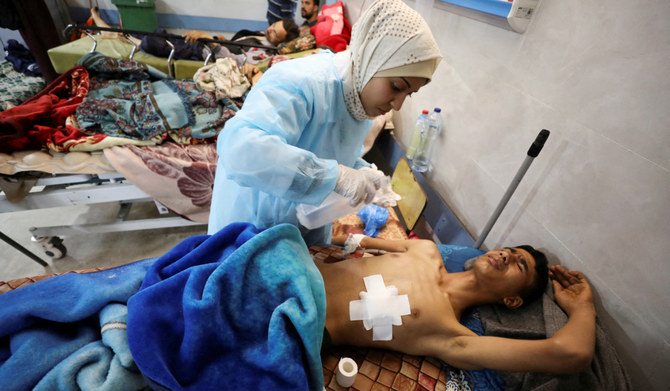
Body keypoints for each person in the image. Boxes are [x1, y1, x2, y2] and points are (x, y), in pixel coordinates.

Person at [208, 0, 442, 245]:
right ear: (372, 59)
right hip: (250, 228)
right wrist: (336, 177)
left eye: (408, 94)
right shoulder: (299, 84)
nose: (398, 105)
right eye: (396, 87)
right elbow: (242, 150)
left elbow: (328, 151)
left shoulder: (358, 100)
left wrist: (359, 171)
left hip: (299, 231)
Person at [318, 235, 597, 373]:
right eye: (509, 251)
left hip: (309, 324)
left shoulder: (451, 335)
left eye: (518, 264)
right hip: (297, 269)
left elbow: (571, 354)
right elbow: (352, 240)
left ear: (512, 300)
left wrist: (582, 307)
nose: (504, 255)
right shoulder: (424, 249)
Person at [182, 18, 300, 66]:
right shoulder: (262, 34)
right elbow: (240, 47)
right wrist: (227, 42)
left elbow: (233, 62)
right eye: (273, 25)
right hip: (203, 46)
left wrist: (212, 42)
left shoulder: (264, 54)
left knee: (164, 43)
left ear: (280, 43)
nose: (269, 30)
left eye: (275, 33)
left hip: (202, 54)